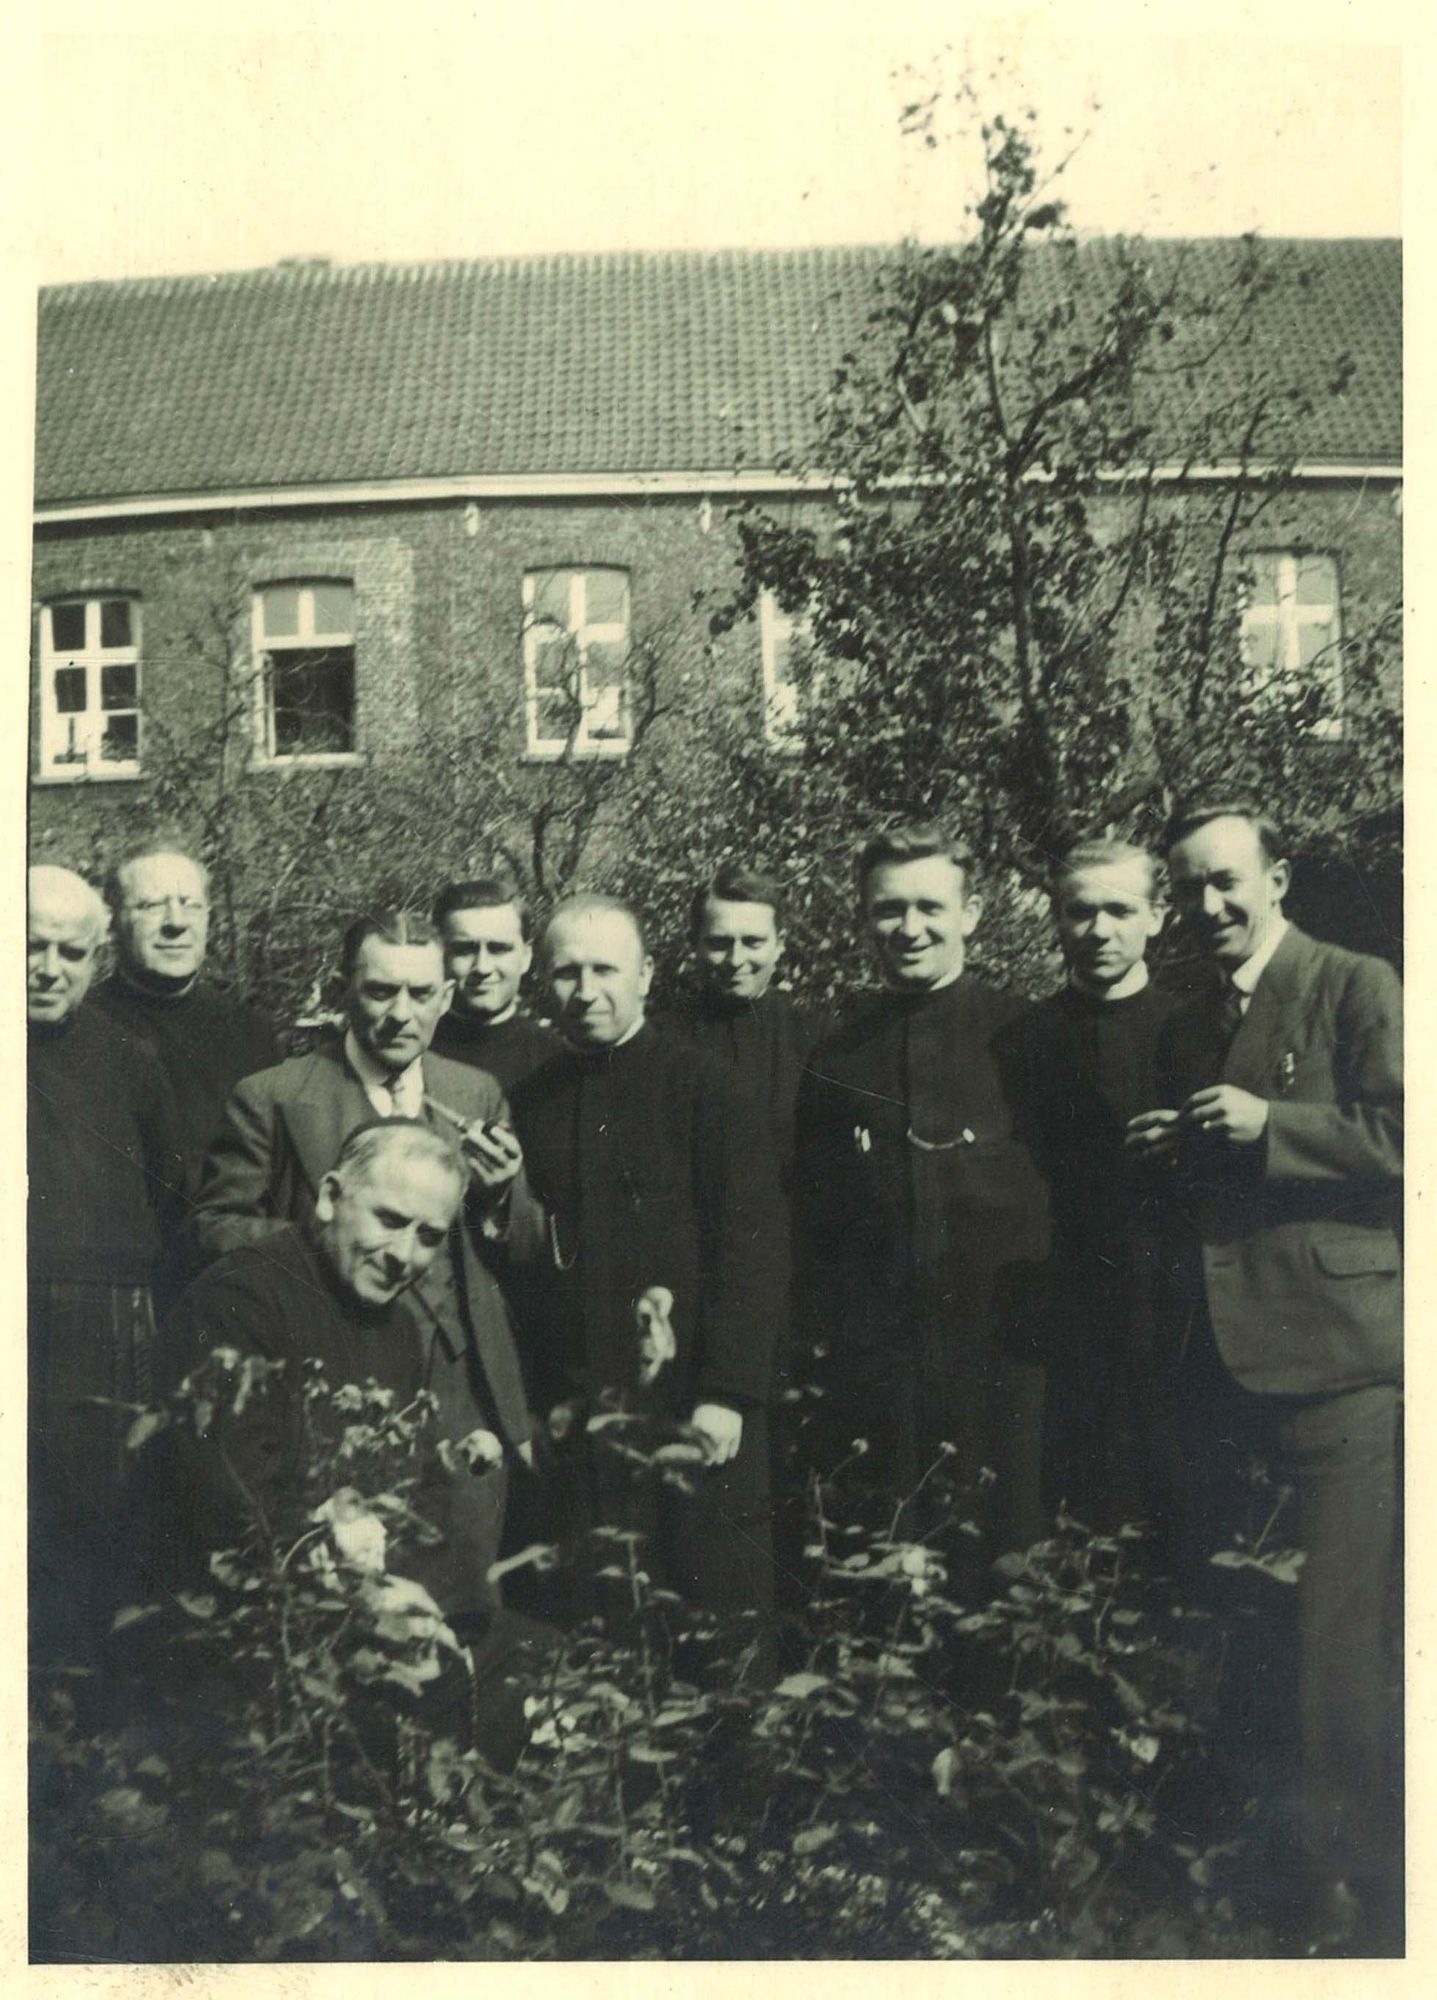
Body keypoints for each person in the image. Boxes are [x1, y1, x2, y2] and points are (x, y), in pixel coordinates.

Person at [1127, 799, 1402, 1946]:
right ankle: (1271, 1880)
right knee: (1251, 1628)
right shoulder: (1193, 1018)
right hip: (1229, 1365)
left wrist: (1269, 1123)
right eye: (1188, 890)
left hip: (1343, 1359)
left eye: (1227, 881)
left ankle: (1363, 1898)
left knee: (1338, 1645)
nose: (1208, 908)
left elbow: (1407, 1136)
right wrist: (1178, 1147)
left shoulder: (1354, 979)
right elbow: (1222, 1166)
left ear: (1277, 876)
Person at [139, 1121, 549, 1762]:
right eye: (389, 1219)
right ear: (330, 1195)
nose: (404, 1254)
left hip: (358, 1608)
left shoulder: (397, 1328)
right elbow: (229, 1501)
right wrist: (366, 1601)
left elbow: (422, 1501)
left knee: (543, 1664)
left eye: (429, 1237)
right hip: (245, 1619)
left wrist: (448, 1616)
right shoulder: (239, 1301)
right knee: (452, 1708)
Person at [188, 908, 542, 1617]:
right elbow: (213, 1226)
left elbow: (522, 1248)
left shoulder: (474, 1094)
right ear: (343, 990)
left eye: (420, 994)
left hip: (457, 1388)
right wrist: (333, 1246)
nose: (400, 1014)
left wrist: (502, 1197)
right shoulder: (278, 1095)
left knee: (459, 1608)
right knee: (339, 1601)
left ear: (446, 997)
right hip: (334, 1375)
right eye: (381, 991)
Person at [509, 895, 784, 1621]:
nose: (586, 990)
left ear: (647, 977)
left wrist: (726, 1393)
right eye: (567, 972)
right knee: (601, 1608)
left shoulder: (707, 1090)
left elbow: (750, 1247)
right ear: (543, 981)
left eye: (606, 969)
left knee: (710, 1608)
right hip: (583, 1405)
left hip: (693, 1399)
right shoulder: (529, 1101)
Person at [794, 824, 1050, 1555]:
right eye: (888, 909)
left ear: (970, 914)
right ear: (862, 919)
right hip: (883, 1370)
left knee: (1006, 1565)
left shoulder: (1026, 1035)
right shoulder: (838, 1052)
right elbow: (816, 1218)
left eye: (930, 907)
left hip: (1005, 1365)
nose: (909, 929)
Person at [27, 865, 183, 1665]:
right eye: (28, 947)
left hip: (106, 1318)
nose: (47, 967)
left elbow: (172, 1191)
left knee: (99, 1525)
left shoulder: (128, 1056)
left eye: (69, 951)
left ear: (96, 959)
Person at [1021, 839, 1182, 1531]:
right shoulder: (1019, 1037)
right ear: (1056, 920)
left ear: (1157, 915)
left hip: (1172, 1317)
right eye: (1078, 912)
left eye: (1119, 910)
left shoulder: (1195, 1029)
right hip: (1057, 1320)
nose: (1098, 931)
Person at [93, 844, 280, 1204]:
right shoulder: (81, 1026)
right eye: (151, 906)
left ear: (208, 918)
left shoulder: (254, 1034)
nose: (175, 923)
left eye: (190, 904)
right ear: (112, 923)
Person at [661, 862, 825, 1194]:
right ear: (695, 943)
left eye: (752, 942)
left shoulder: (818, 1038)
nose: (736, 960)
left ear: (779, 944)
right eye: (720, 943)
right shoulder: (661, 1041)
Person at [431, 874, 561, 1091]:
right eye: (464, 949)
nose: (482, 967)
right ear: (439, 955)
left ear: (526, 957)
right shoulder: (412, 1047)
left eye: (498, 948)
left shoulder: (556, 1059)